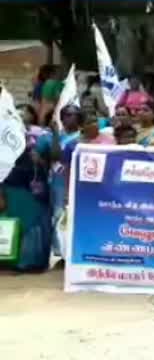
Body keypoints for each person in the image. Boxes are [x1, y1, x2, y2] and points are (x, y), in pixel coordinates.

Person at [1, 118, 51, 271]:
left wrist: (39, 160)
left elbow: (47, 167)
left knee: (33, 227)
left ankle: (31, 262)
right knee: (14, 227)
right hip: (13, 194)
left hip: (33, 196)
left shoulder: (36, 144)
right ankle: (12, 260)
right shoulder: (5, 149)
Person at [35, 104, 81, 257]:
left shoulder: (83, 137)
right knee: (58, 215)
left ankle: (74, 250)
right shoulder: (48, 136)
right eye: (68, 114)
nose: (71, 117)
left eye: (74, 114)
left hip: (78, 181)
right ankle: (59, 252)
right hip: (57, 182)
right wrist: (55, 135)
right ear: (61, 118)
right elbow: (44, 156)